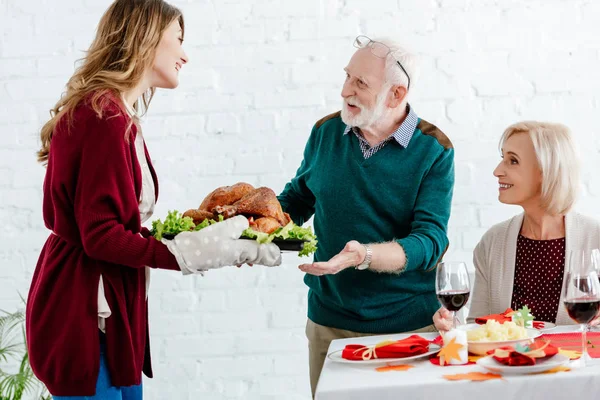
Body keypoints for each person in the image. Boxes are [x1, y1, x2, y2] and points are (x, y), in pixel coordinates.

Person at [26, 1, 280, 398]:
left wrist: (206, 242)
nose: (184, 54)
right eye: (177, 39)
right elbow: (101, 236)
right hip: (85, 313)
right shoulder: (104, 117)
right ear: (145, 40)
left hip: (109, 308)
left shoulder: (114, 112)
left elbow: (114, 223)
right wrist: (186, 253)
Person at [278, 35, 455, 396]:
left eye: (360, 83)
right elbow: (298, 198)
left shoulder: (433, 149)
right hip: (330, 323)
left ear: (396, 94)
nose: (345, 91)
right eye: (346, 77)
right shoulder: (326, 132)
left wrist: (365, 255)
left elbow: (430, 242)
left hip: (408, 328)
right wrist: (252, 234)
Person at [433, 121, 600, 332]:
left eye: (513, 161)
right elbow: (478, 326)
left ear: (545, 171)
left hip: (580, 363)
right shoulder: (493, 242)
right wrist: (451, 325)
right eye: (502, 158)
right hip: (511, 364)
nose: (497, 171)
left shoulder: (595, 238)